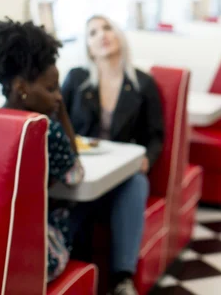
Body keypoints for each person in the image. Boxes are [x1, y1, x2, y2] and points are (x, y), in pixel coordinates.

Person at [0, 19, 84, 282]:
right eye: (51, 89)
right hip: (29, 251)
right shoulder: (46, 131)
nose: (57, 96)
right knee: (80, 211)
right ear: (21, 87)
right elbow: (74, 175)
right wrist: (63, 114)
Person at [61, 15, 165, 295]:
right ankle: (67, 268)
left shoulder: (143, 83)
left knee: (137, 183)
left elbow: (155, 135)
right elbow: (59, 123)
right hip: (83, 170)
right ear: (88, 46)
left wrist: (147, 159)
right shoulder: (76, 78)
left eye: (107, 28)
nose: (102, 35)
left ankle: (122, 279)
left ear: (119, 35)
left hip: (121, 174)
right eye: (92, 32)